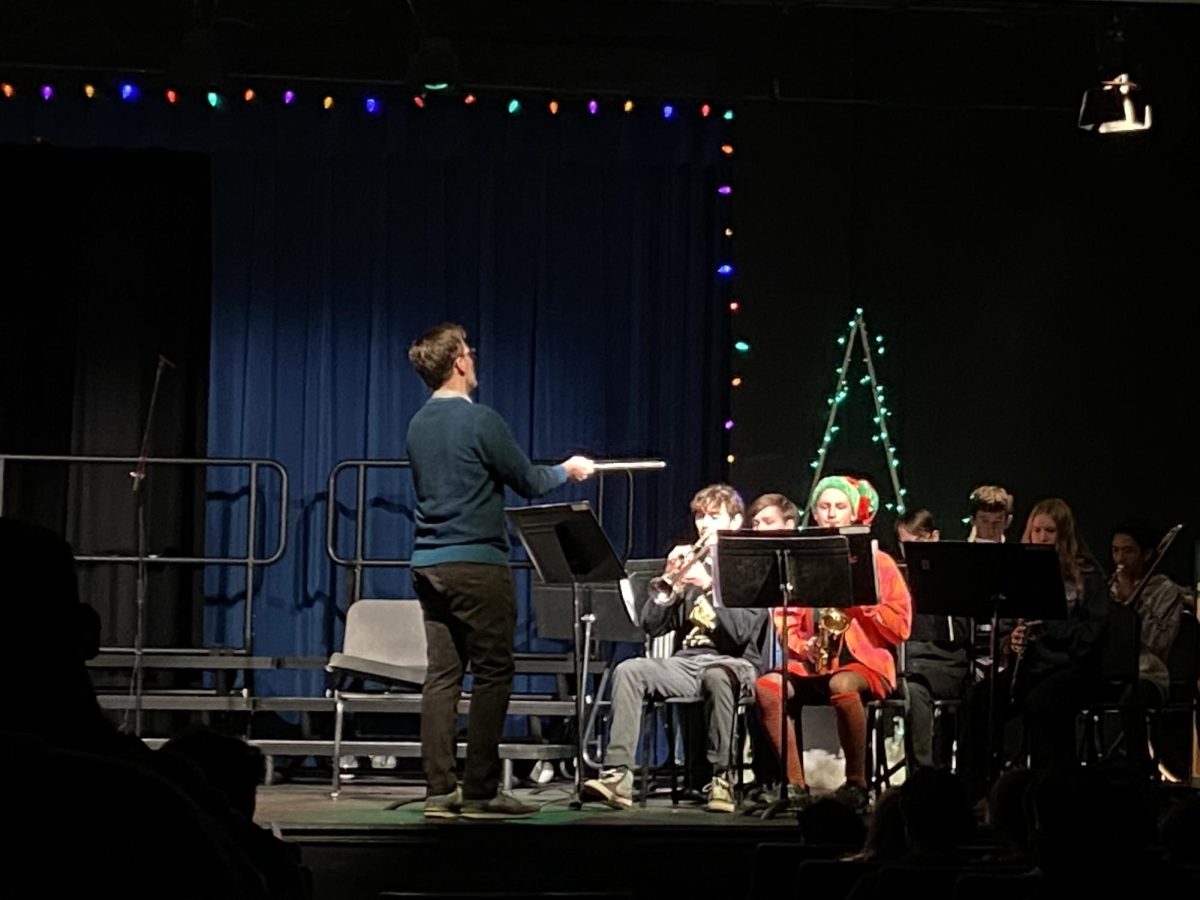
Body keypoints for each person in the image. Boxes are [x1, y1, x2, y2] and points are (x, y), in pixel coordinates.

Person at [405, 322, 594, 819]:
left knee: (443, 676)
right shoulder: (480, 421)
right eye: (469, 350)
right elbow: (529, 481)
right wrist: (568, 471)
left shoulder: (418, 424)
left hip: (428, 564)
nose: (474, 357)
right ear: (460, 362)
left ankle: (439, 791)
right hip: (475, 563)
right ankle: (482, 790)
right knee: (493, 672)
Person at [583, 484, 771, 813]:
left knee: (716, 676)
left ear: (736, 521)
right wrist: (672, 582)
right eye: (700, 516)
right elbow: (651, 625)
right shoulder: (690, 564)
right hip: (686, 663)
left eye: (715, 516)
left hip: (736, 664)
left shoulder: (749, 567)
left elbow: (743, 633)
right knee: (630, 670)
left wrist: (711, 585)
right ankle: (618, 776)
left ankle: (722, 778)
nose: (704, 524)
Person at [754, 475, 913, 815]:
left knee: (841, 684)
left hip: (863, 665)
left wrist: (863, 603)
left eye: (839, 507)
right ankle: (795, 786)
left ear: (854, 513)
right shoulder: (803, 561)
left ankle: (856, 783)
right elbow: (787, 619)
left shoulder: (880, 562)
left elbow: (901, 627)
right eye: (824, 507)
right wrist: (802, 644)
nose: (830, 514)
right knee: (767, 687)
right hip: (814, 663)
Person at [958, 498, 1109, 802]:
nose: (1041, 537)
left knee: (1043, 702)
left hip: (1072, 670)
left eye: (1049, 531)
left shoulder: (1087, 576)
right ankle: (975, 795)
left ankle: (1051, 796)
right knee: (978, 699)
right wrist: (1010, 641)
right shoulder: (1021, 573)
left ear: (1063, 534)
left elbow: (1091, 635)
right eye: (1036, 530)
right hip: (1031, 668)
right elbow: (1005, 630)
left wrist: (1048, 626)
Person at [895, 509, 972, 770]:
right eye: (905, 546)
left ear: (934, 537)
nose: (911, 553)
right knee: (911, 686)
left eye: (918, 544)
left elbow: (960, 633)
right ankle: (922, 773)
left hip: (946, 663)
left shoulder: (956, 575)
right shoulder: (897, 577)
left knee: (917, 688)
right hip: (911, 665)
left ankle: (933, 772)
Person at [1109, 520, 1187, 777]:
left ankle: (1139, 771)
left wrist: (1131, 603)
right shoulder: (1110, 588)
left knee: (1132, 700)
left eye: (1128, 551)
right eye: (1115, 551)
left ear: (1147, 554)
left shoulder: (1166, 591)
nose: (1120, 559)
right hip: (1111, 670)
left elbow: (1158, 641)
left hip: (1148, 673)